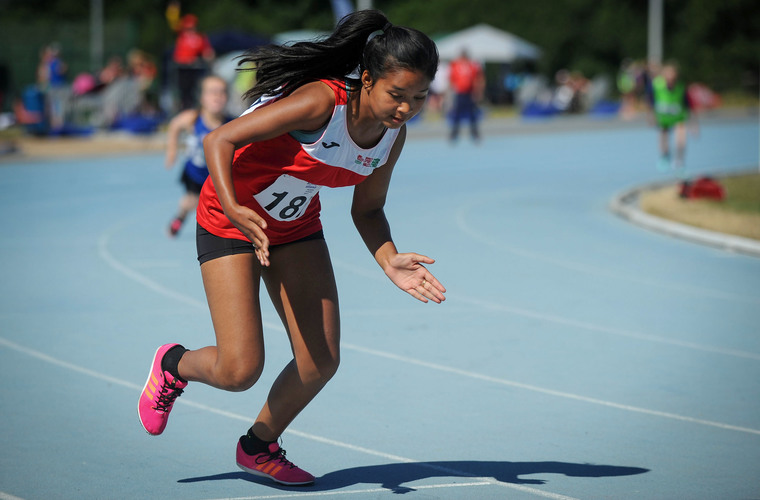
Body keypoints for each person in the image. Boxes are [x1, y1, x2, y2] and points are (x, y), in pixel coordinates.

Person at [138, 9, 446, 487]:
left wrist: (389, 260)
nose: (406, 108)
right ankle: (173, 364)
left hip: (294, 226)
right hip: (229, 217)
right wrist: (237, 209)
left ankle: (258, 446)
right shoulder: (320, 104)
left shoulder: (391, 136)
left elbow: (367, 210)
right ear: (366, 79)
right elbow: (221, 139)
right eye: (397, 95)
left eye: (419, 97)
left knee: (321, 359)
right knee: (240, 370)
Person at [164, 75, 230, 236]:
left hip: (217, 174)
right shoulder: (193, 118)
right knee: (191, 201)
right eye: (212, 92)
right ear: (201, 97)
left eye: (221, 92)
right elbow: (174, 125)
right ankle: (180, 218)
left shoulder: (231, 123)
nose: (217, 96)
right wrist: (172, 150)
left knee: (224, 203)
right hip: (195, 172)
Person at [649, 62, 697, 171]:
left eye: (672, 76)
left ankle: (679, 161)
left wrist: (693, 124)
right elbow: (651, 101)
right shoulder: (656, 85)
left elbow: (688, 104)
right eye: (667, 76)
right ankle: (665, 156)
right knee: (663, 139)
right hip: (663, 117)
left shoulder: (681, 86)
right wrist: (651, 116)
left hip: (678, 117)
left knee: (681, 139)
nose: (670, 79)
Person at [171, 13, 215, 110]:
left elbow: (207, 52)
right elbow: (173, 21)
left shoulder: (200, 38)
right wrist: (173, 9)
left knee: (193, 90)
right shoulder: (181, 35)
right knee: (181, 91)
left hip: (193, 69)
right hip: (181, 69)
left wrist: (210, 59)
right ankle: (181, 108)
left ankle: (193, 108)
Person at [448, 48, 484, 143]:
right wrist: (450, 93)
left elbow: (477, 79)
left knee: (472, 114)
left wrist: (477, 92)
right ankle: (454, 134)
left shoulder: (472, 66)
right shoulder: (456, 65)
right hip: (459, 93)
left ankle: (474, 133)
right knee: (457, 114)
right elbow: (452, 80)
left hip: (469, 93)